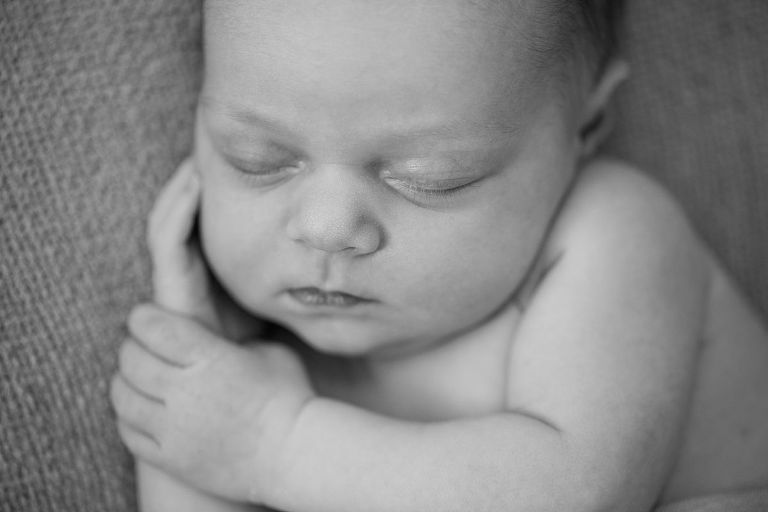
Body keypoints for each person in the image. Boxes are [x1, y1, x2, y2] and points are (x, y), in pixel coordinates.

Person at [109, 0, 768, 510]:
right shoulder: (270, 370)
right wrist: (193, 372)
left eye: (431, 179)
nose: (326, 228)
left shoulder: (611, 232)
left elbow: (582, 493)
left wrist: (271, 443)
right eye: (257, 160)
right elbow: (212, 448)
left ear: (585, 128)